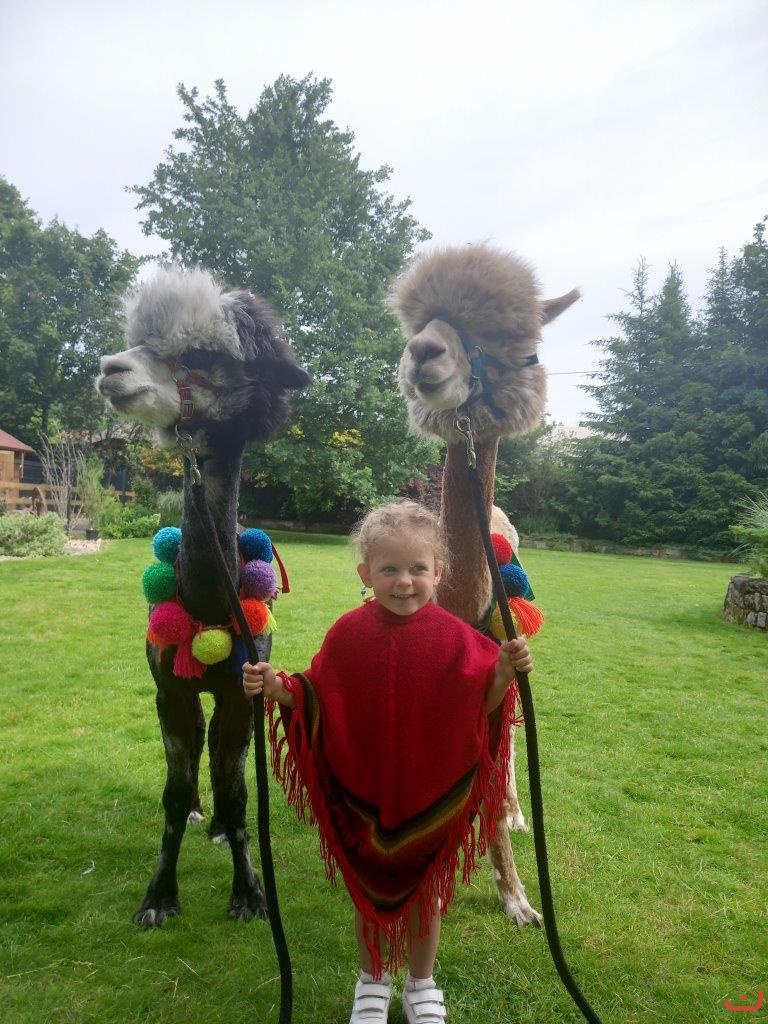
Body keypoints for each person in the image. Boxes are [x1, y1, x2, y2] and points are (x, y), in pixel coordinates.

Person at [243, 500, 533, 1024]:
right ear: (365, 574)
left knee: (425, 897)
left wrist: (504, 673)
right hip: (369, 788)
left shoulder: (458, 638)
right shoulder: (348, 634)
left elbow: (481, 706)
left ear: (438, 572)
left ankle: (421, 985)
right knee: (370, 899)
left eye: (418, 568)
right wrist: (276, 687)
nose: (404, 581)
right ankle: (372, 981)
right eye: (389, 569)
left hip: (430, 786)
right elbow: (317, 694)